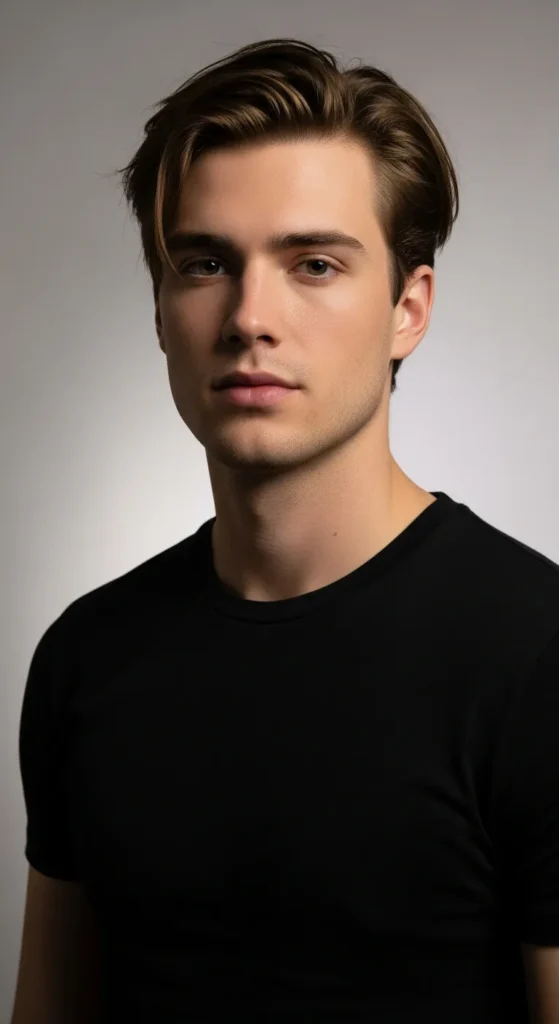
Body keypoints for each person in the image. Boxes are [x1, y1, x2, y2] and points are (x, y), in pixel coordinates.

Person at [11, 36, 559, 1024]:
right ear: (160, 311)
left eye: (312, 263)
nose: (249, 317)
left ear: (407, 308)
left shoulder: (536, 657)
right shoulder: (86, 659)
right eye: (204, 264)